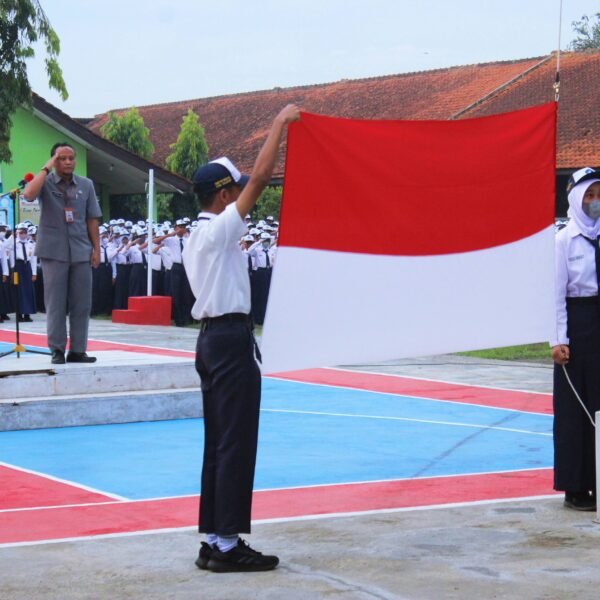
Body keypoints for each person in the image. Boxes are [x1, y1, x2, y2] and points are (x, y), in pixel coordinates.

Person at [183, 104, 300, 573]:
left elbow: (251, 183)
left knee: (219, 441)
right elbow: (262, 180)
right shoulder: (216, 230)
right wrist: (277, 125)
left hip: (214, 340)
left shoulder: (201, 234)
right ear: (224, 193)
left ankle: (214, 538)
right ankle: (228, 543)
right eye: (235, 188)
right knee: (235, 441)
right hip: (229, 340)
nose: (241, 193)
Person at [23, 142, 102, 364]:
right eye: (62, 158)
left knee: (82, 303)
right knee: (55, 303)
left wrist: (96, 249)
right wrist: (46, 167)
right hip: (53, 250)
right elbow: (28, 194)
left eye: (71, 158)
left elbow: (92, 219)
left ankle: (78, 350)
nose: (68, 162)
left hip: (80, 250)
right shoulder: (44, 182)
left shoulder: (86, 185)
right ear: (53, 160)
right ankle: (56, 349)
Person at [551, 167, 600, 511]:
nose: (595, 202)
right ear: (575, 199)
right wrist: (557, 340)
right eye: (589, 195)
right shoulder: (563, 240)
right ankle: (575, 485)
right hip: (576, 324)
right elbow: (553, 295)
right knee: (575, 408)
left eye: (599, 195)